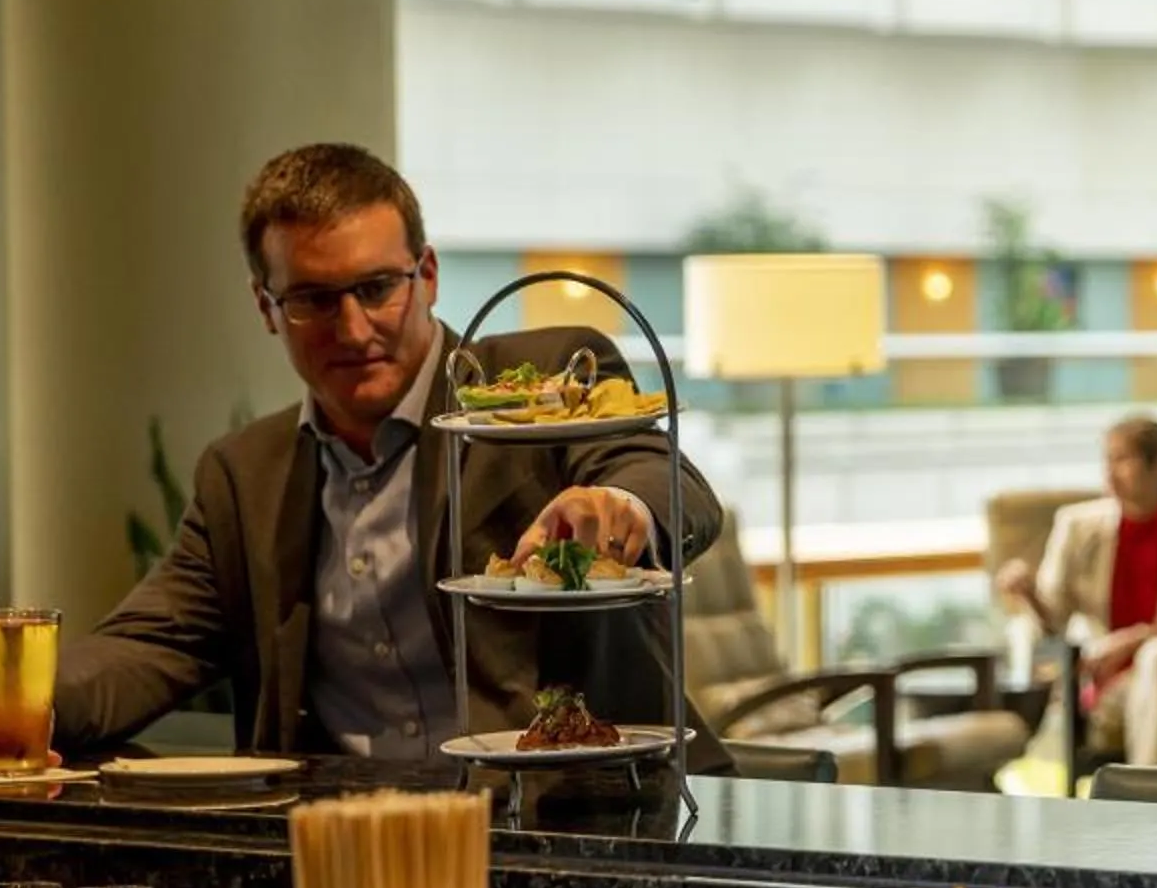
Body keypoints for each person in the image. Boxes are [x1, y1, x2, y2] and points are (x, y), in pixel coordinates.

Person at [52, 144, 725, 761]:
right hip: (357, 847)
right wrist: (21, 703)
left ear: (426, 275)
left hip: (574, 824)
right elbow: (146, 646)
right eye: (313, 299)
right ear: (266, 306)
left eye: (377, 288)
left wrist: (620, 506)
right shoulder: (244, 475)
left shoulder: (544, 380)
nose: (354, 328)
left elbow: (659, 478)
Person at [994, 416, 1157, 767]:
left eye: (1123, 459)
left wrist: (1135, 639)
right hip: (1116, 683)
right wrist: (1029, 593)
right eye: (1107, 460)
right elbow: (1054, 621)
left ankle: (1141, 803)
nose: (1110, 472)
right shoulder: (1077, 528)